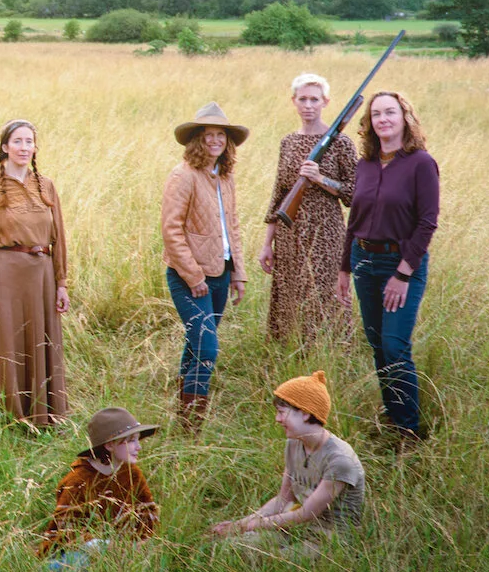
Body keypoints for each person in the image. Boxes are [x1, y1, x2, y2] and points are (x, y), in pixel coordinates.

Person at [337, 89, 439, 439]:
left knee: (395, 345)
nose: (383, 119)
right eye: (376, 114)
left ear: (404, 118)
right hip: (364, 260)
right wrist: (344, 268)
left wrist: (402, 274)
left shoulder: (420, 163)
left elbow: (427, 222)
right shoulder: (364, 164)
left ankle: (409, 431)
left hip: (401, 265)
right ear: (369, 122)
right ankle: (394, 419)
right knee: (378, 344)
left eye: (390, 112)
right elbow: (355, 217)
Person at [0, 120, 71, 427]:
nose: (24, 147)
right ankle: (12, 417)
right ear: (5, 147)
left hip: (42, 275)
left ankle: (45, 414)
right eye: (18, 141)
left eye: (30, 142)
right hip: (8, 277)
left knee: (43, 341)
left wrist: (61, 282)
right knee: (9, 342)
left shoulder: (46, 185)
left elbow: (59, 238)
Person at [161, 102, 249, 426]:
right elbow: (171, 230)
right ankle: (193, 424)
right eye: (209, 135)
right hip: (189, 276)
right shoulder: (182, 175)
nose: (215, 141)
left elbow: (233, 225)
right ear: (198, 139)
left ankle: (183, 414)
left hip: (221, 273)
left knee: (197, 344)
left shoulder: (224, 176)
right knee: (208, 348)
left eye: (221, 135)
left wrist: (239, 272)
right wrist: (193, 274)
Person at [209, 370, 366, 544]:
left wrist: (249, 526)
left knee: (256, 555)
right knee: (232, 546)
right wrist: (239, 524)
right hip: (295, 526)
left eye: (282, 412)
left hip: (330, 538)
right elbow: (283, 500)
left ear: (306, 413)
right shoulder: (294, 444)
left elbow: (306, 513)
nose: (277, 419)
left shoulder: (340, 460)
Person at [259, 72, 358, 343]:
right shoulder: (288, 142)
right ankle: (290, 354)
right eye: (302, 99)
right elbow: (279, 194)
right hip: (289, 235)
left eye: (315, 99)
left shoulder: (341, 143)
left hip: (326, 236)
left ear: (326, 102)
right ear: (293, 101)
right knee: (290, 295)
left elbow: (355, 195)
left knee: (325, 297)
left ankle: (332, 355)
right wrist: (268, 243)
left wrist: (321, 179)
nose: (308, 105)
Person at [38, 406, 160, 563]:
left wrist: (137, 546)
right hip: (76, 554)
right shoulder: (78, 481)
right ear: (109, 445)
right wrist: (104, 546)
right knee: (78, 560)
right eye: (131, 441)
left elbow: (148, 521)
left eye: (138, 439)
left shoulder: (132, 473)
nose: (138, 447)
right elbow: (65, 534)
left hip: (124, 550)